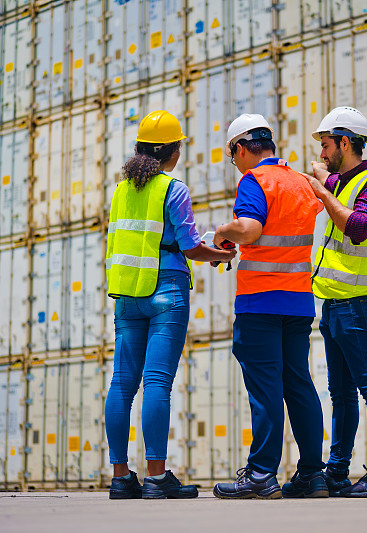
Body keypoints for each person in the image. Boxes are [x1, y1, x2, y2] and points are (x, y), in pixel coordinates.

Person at [104, 110, 236, 499]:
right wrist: (223, 256)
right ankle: (157, 478)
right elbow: (191, 246)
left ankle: (119, 476)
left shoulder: (120, 190)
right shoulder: (172, 189)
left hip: (127, 296)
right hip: (167, 294)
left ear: (139, 150)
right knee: (157, 381)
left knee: (123, 383)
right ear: (173, 151)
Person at [211, 114, 327, 499]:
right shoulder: (298, 182)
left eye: (233, 158)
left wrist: (222, 232)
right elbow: (311, 211)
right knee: (298, 385)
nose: (236, 165)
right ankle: (312, 474)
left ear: (240, 149)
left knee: (265, 389)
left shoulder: (253, 181)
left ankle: (261, 473)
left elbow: (251, 230)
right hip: (298, 301)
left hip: (260, 302)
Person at [302, 106, 367, 498]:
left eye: (326, 145)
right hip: (334, 304)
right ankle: (337, 471)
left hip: (358, 303)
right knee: (340, 394)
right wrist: (325, 180)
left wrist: (323, 190)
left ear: (346, 142)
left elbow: (359, 228)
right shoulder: (343, 182)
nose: (323, 154)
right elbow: (331, 178)